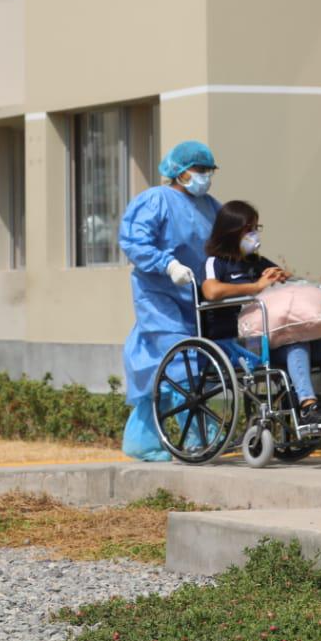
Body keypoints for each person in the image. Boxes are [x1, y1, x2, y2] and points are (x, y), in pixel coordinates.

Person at [117, 140, 222, 461]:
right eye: (199, 170)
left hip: (198, 297)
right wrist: (167, 263)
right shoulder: (155, 200)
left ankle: (143, 440)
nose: (204, 176)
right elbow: (134, 240)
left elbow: (225, 242)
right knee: (181, 360)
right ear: (178, 171)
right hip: (159, 294)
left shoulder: (211, 206)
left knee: (160, 368)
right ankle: (196, 436)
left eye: (209, 171)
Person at [200, 200, 321, 429]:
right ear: (232, 232)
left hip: (272, 337)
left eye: (256, 228)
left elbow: (284, 282)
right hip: (238, 344)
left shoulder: (256, 262)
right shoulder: (216, 263)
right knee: (296, 343)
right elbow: (211, 291)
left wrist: (282, 275)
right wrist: (256, 287)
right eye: (249, 229)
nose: (254, 235)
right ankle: (308, 406)